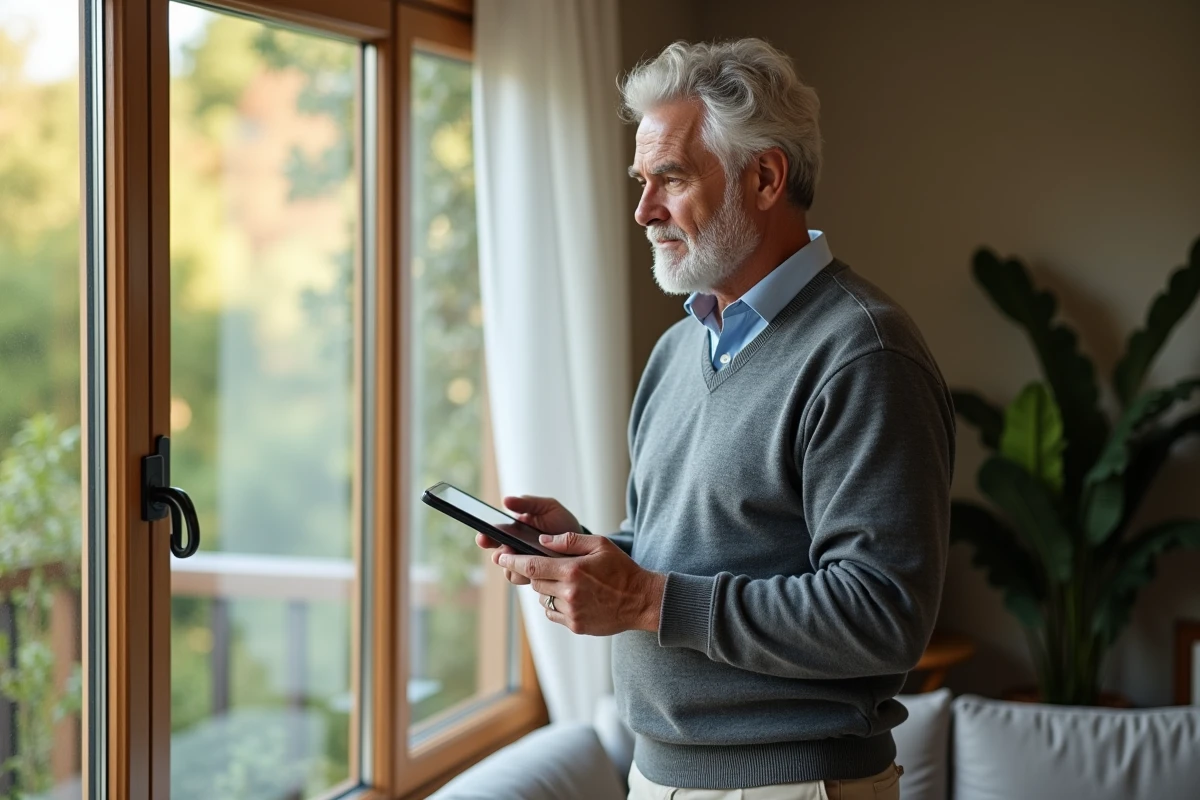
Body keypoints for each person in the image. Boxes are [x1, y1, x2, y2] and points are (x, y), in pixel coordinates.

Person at [476, 38, 954, 800]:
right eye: (641, 180)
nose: (643, 210)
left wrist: (643, 597)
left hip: (791, 788)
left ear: (764, 177)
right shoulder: (678, 348)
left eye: (669, 177)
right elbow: (686, 548)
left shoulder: (864, 352)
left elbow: (881, 613)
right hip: (659, 775)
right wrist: (598, 553)